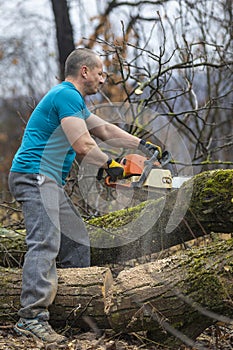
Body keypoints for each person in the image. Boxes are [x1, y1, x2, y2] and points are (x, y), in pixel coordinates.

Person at [8, 48, 162, 344]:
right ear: (85, 72)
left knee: (76, 240)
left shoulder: (73, 102)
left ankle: (72, 310)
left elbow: (103, 128)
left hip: (49, 181)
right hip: (34, 175)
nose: (103, 79)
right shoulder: (66, 95)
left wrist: (142, 144)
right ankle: (31, 317)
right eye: (101, 73)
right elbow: (83, 145)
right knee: (45, 240)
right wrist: (111, 165)